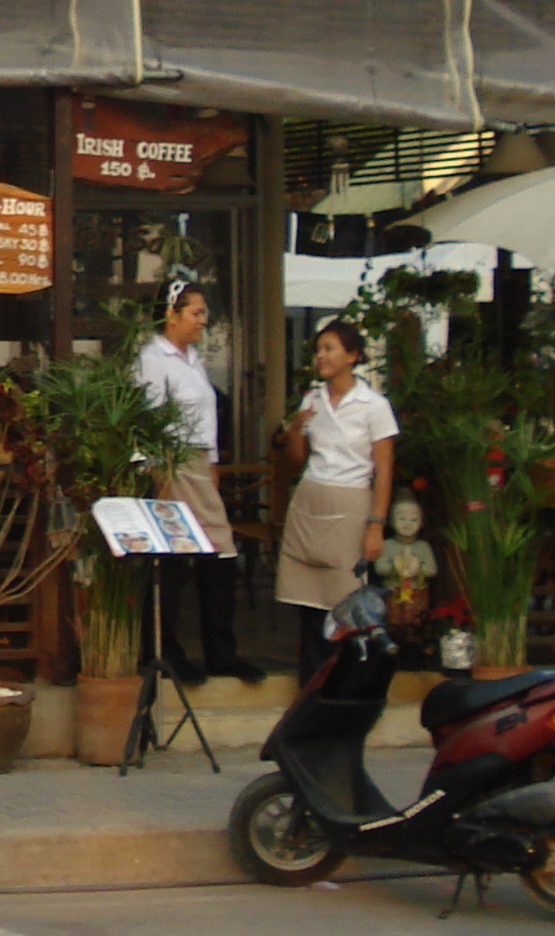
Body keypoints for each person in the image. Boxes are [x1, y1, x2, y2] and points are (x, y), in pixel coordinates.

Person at [134, 283, 262, 686]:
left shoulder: (193, 359)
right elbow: (148, 417)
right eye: (196, 313)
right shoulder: (153, 358)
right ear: (172, 315)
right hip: (170, 461)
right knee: (178, 554)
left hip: (197, 461)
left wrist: (212, 462)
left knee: (218, 551)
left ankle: (219, 651)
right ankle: (166, 649)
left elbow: (205, 414)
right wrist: (157, 471)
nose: (203, 320)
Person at [277, 320, 397, 670]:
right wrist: (297, 429)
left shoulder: (374, 405)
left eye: (329, 348)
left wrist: (376, 525)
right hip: (310, 498)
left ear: (352, 355)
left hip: (350, 503)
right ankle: (309, 684)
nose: (321, 356)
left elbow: (384, 469)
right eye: (318, 349)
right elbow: (297, 460)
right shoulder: (312, 399)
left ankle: (343, 683)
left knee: (345, 599)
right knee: (308, 602)